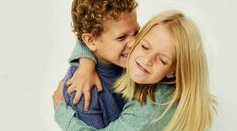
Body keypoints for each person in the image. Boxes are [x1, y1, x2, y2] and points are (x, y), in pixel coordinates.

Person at [53, 10, 216, 131]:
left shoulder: (152, 107)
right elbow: (100, 34)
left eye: (162, 60)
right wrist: (86, 62)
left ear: (173, 72)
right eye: (145, 46)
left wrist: (61, 111)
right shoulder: (137, 52)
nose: (147, 60)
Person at [61, 0, 140, 129]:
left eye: (137, 32)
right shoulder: (81, 90)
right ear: (90, 41)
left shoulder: (140, 60)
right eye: (121, 37)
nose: (134, 42)